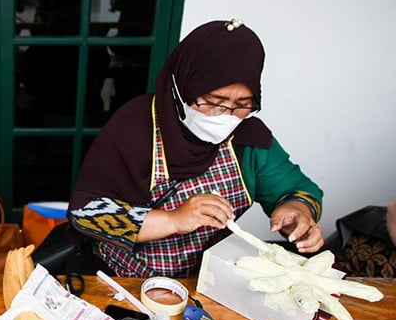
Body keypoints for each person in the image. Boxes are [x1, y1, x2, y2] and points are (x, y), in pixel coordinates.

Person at [68, 19, 324, 278]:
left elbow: (296, 190)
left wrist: (297, 212)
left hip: (201, 281)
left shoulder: (248, 140)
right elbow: (85, 211)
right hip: (120, 277)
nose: (226, 116)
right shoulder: (136, 127)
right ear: (181, 88)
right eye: (214, 102)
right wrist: (173, 220)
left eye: (243, 104)